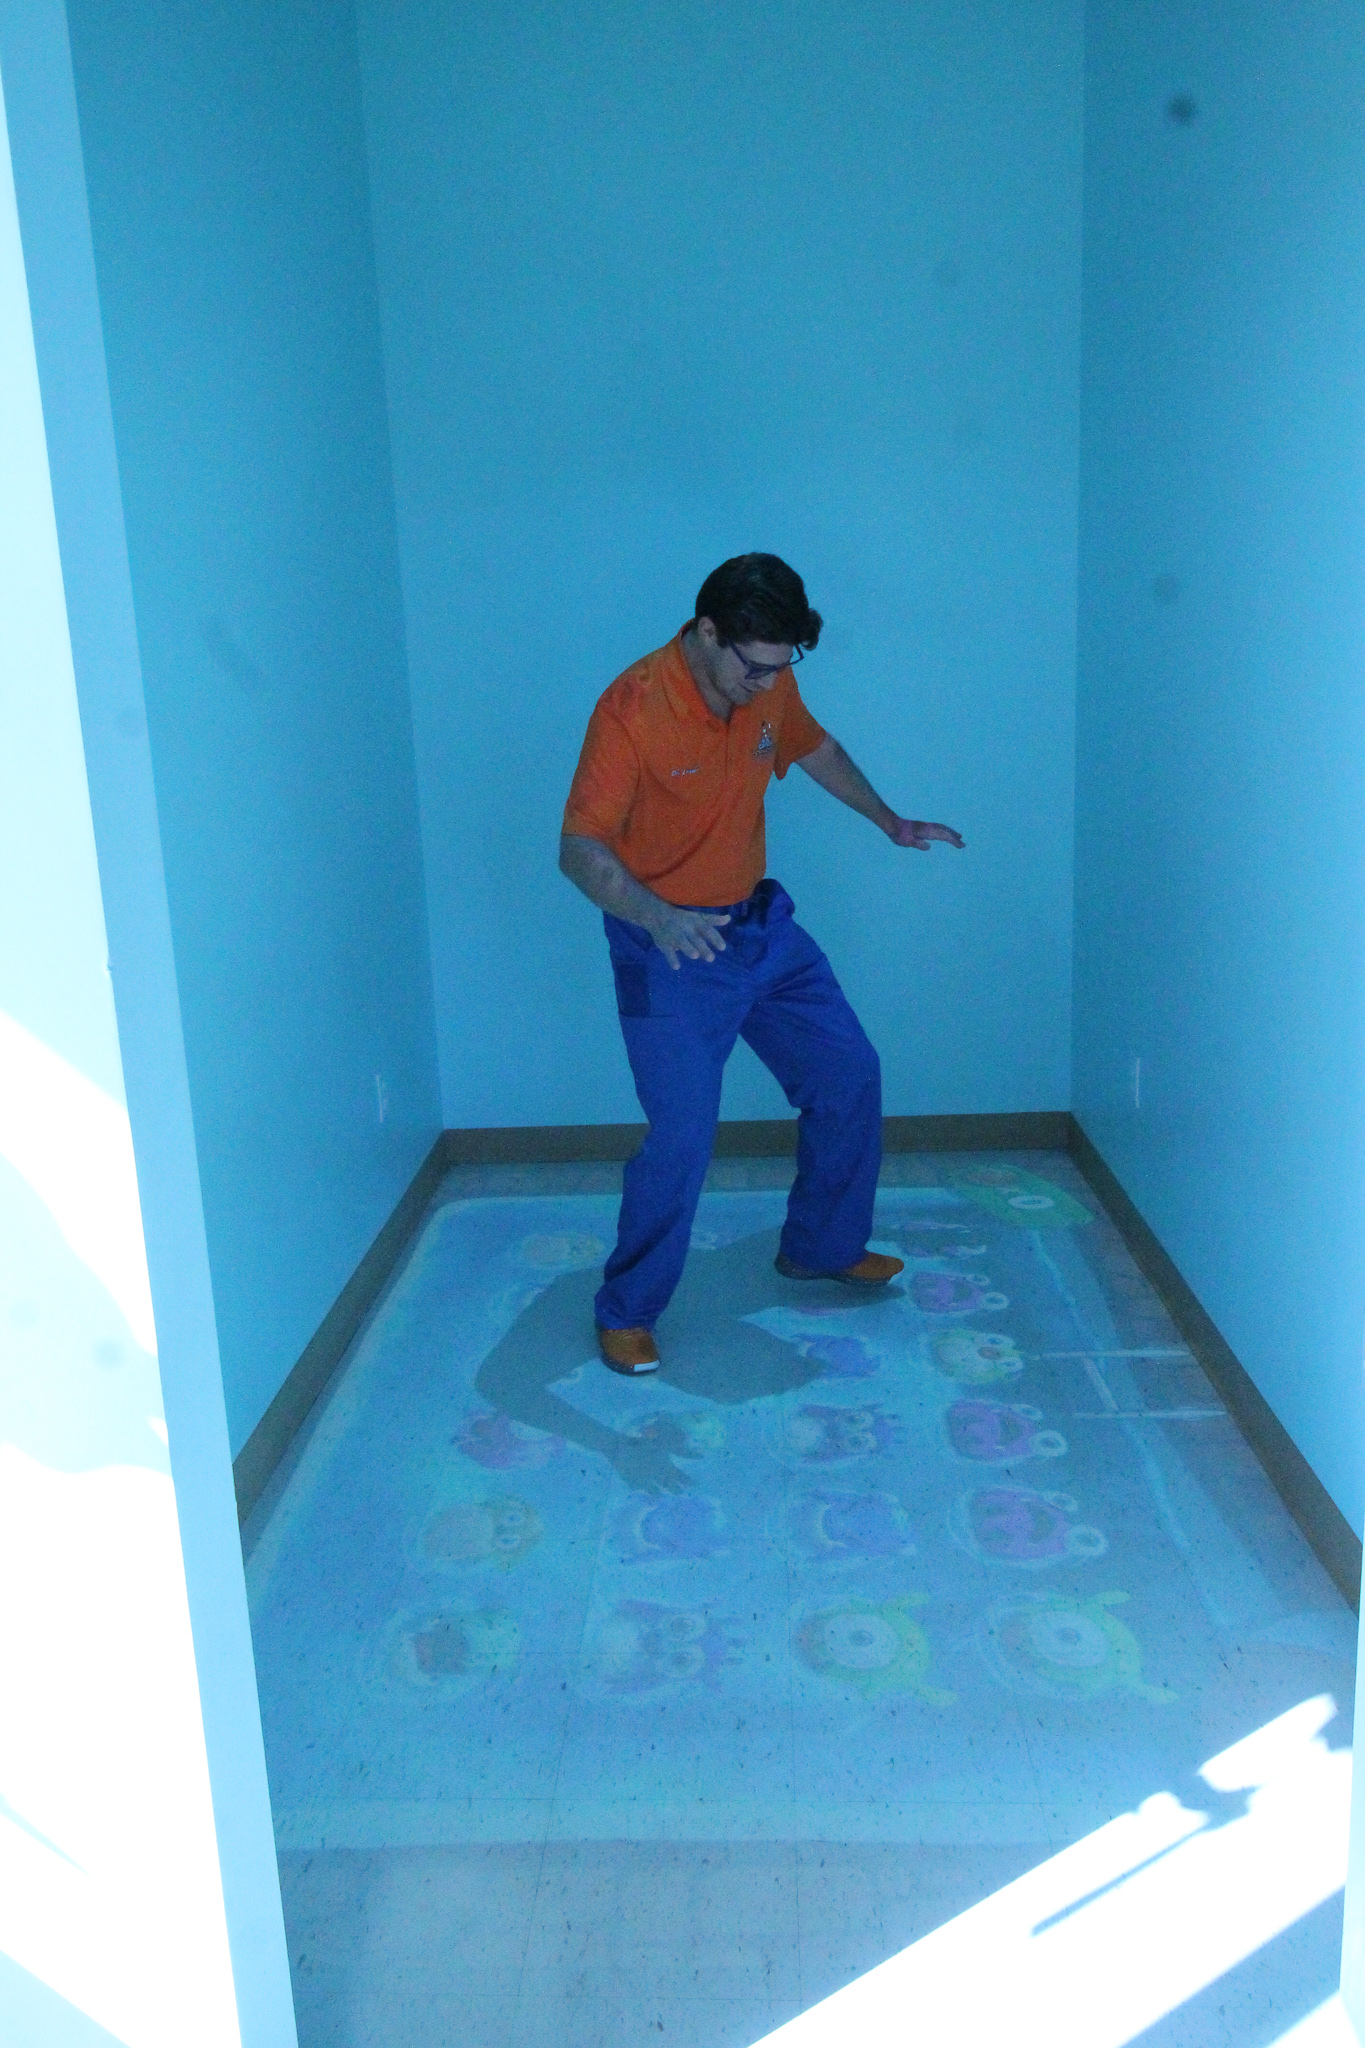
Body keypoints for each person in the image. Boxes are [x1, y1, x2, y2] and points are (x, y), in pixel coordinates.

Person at [559, 553, 965, 1376]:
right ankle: (627, 1310)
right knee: (681, 1136)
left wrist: (888, 821)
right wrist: (659, 917)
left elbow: (814, 748)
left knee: (848, 1073)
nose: (768, 684)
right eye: (754, 666)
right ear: (708, 632)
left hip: (759, 927)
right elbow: (578, 850)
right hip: (668, 945)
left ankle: (821, 1247)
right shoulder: (631, 708)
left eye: (782, 667)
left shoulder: (768, 680)